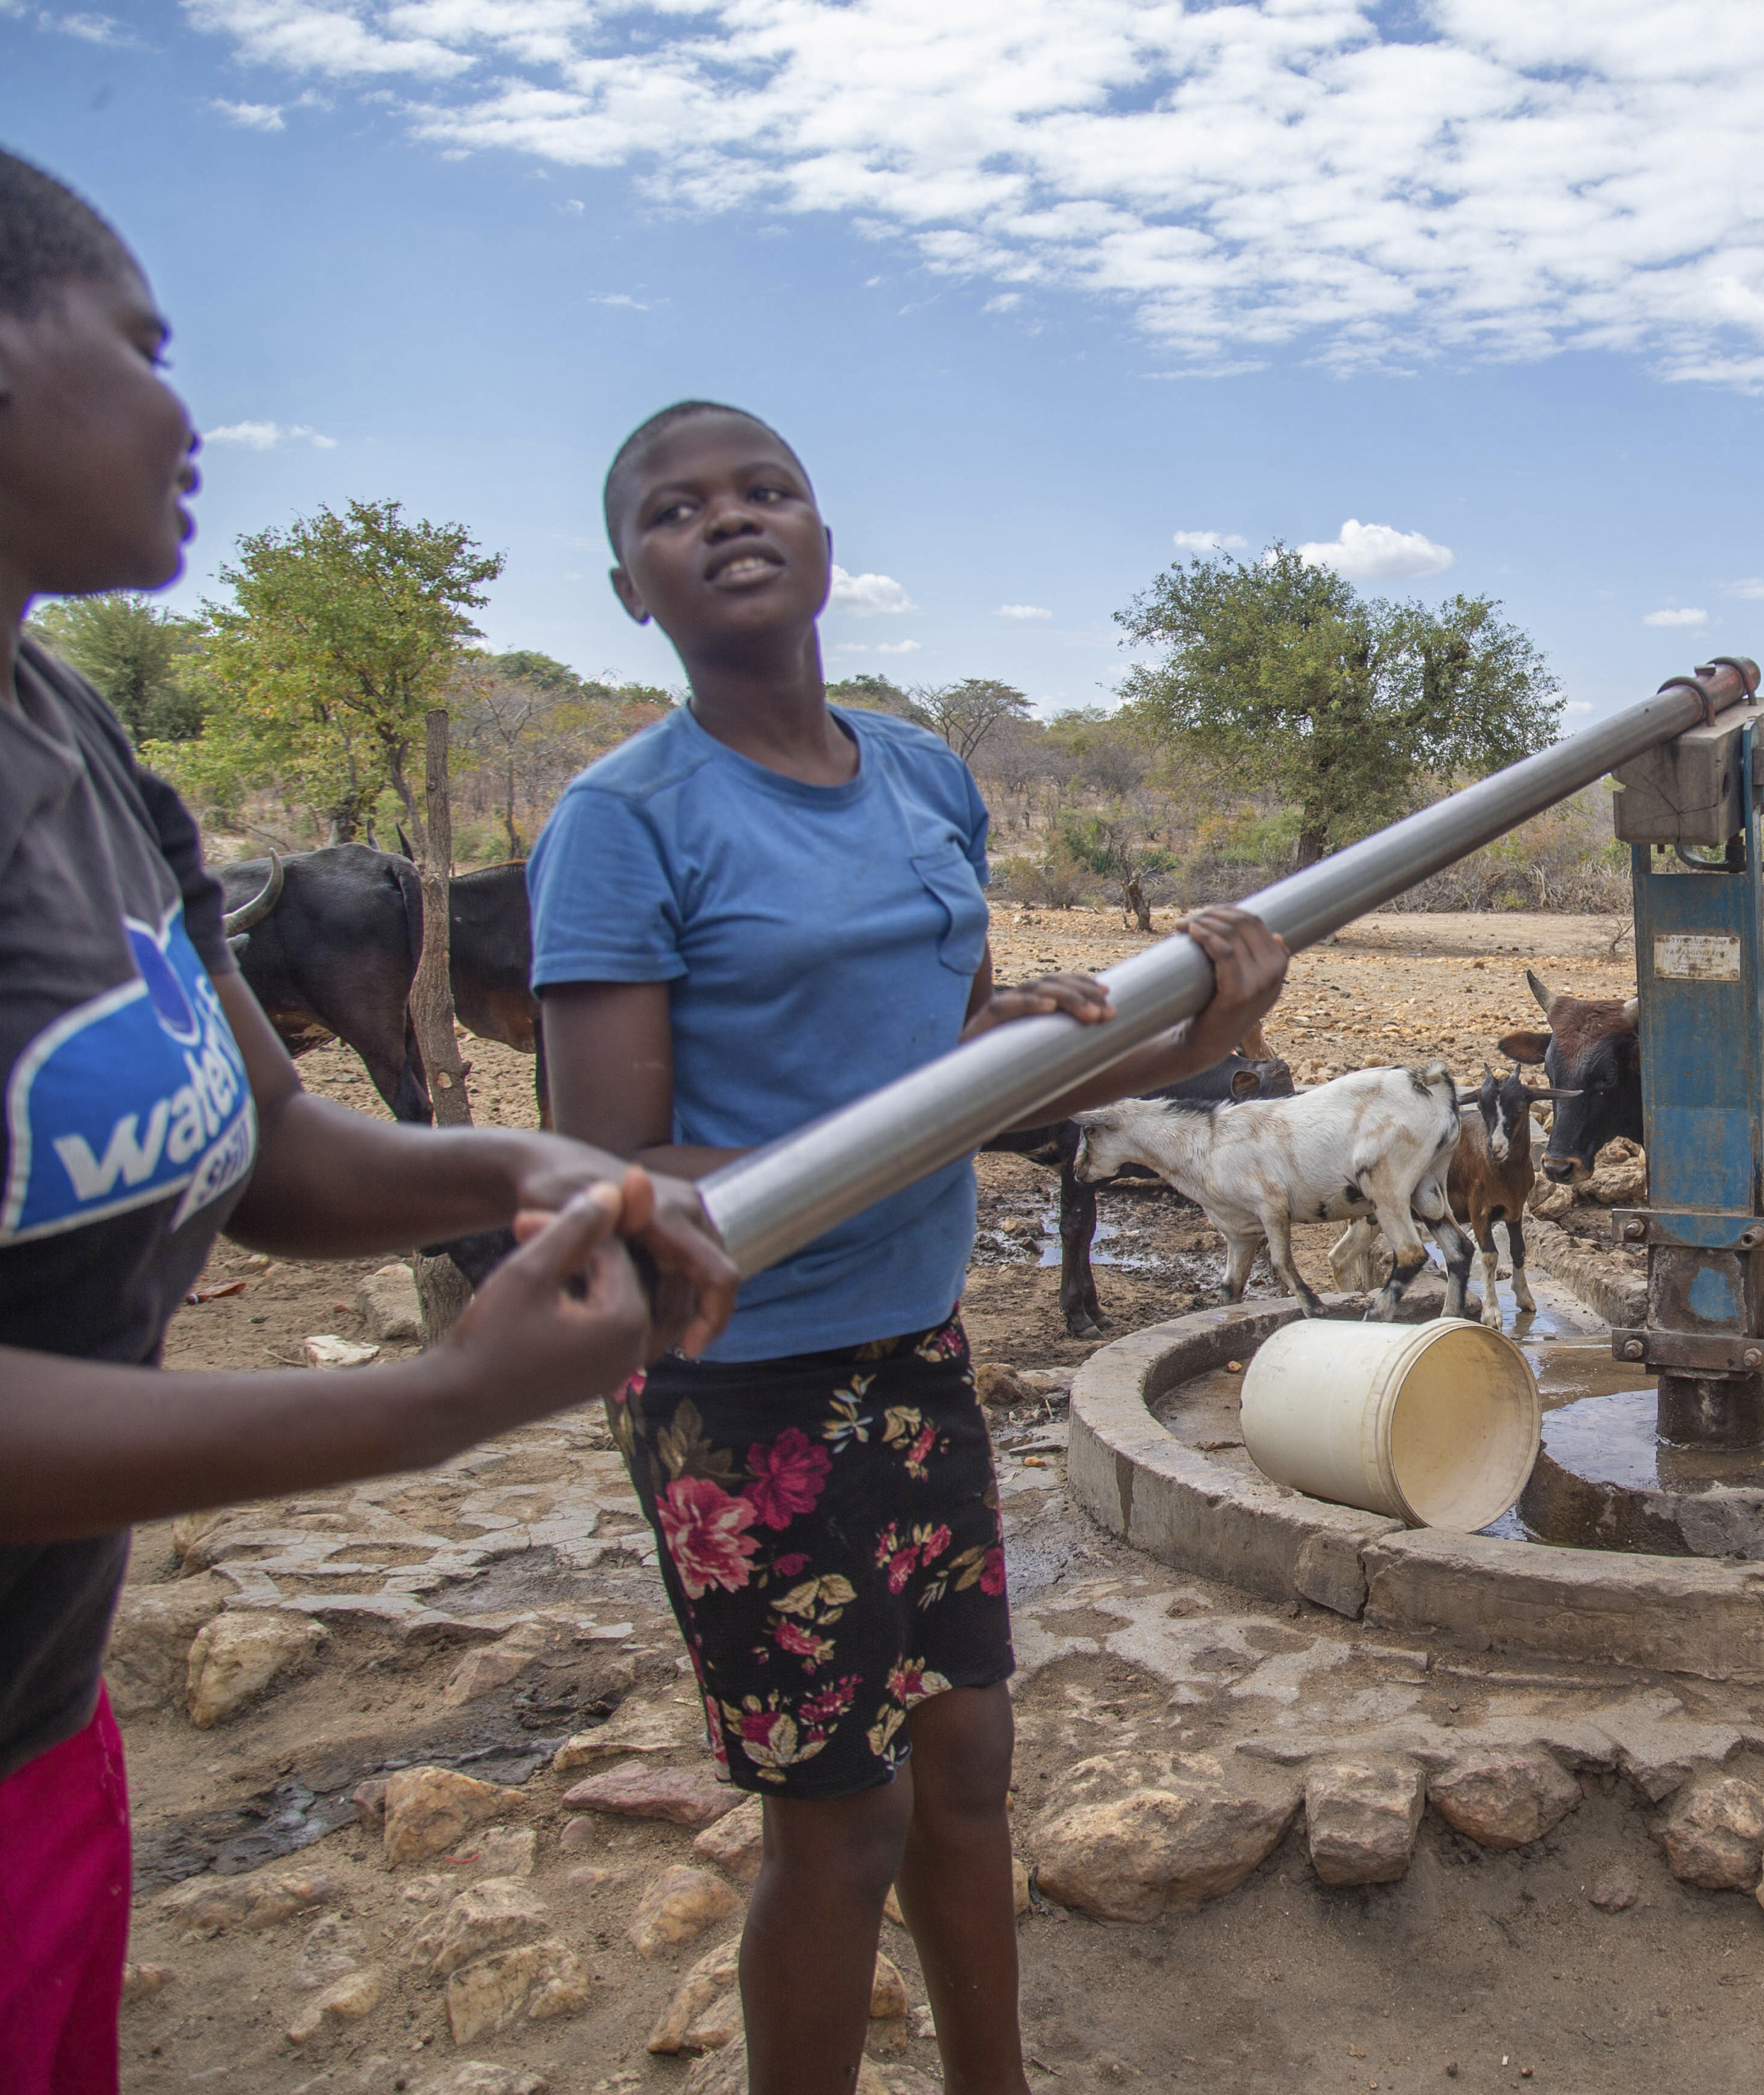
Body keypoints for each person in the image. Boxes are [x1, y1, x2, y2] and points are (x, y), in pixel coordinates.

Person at [0, 122, 742, 2095]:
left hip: (16, 1723)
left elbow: (267, 1145)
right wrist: (421, 1410)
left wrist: (525, 1158)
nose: (187, 406)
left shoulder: (75, 740)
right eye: (145, 338)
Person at [534, 397, 1287, 2095]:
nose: (729, 519)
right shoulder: (625, 821)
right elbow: (612, 1166)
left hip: (909, 1343)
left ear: (821, 537)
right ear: (629, 588)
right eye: (675, 509)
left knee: (968, 1771)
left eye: (767, 489)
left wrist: (1208, 1025)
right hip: (736, 1381)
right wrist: (934, 1089)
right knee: (843, 1823)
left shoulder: (925, 773)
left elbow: (982, 1076)